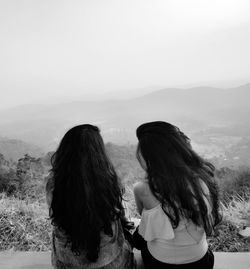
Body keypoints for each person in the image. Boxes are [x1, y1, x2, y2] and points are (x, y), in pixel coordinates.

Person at [133, 121, 221, 269]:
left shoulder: (142, 188)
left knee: (141, 237)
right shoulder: (203, 178)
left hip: (159, 262)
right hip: (200, 261)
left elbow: (144, 217)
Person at [46, 124, 136, 269]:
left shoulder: (54, 184)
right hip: (112, 262)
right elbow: (119, 215)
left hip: (67, 263)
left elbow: (58, 216)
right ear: (99, 152)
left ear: (65, 151)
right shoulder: (109, 180)